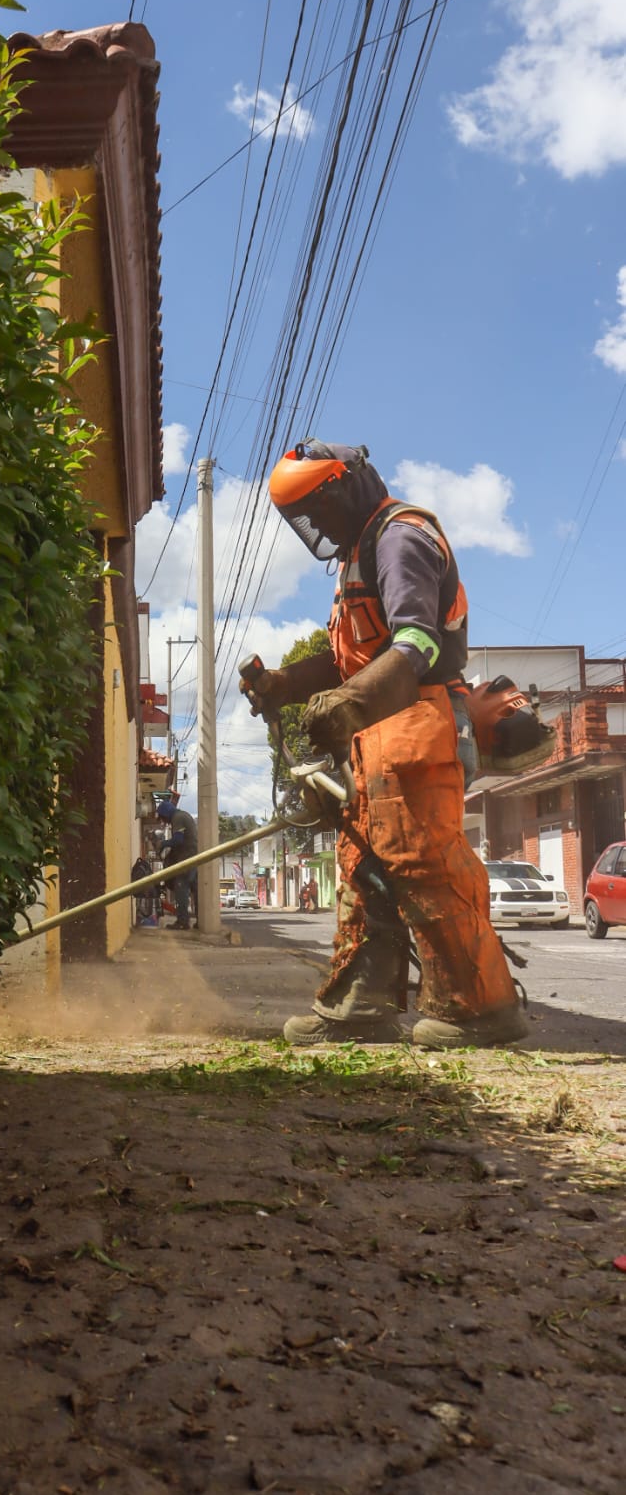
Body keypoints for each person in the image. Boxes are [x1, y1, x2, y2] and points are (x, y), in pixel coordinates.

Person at [242, 438, 526, 1051]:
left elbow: (417, 644)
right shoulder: (357, 555)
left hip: (419, 720)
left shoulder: (400, 537)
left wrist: (353, 703)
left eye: (317, 509)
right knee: (366, 868)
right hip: (381, 730)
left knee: (422, 864)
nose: (314, 525)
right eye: (304, 520)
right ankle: (358, 1006)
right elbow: (353, 660)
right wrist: (283, 684)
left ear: (345, 486)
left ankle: (480, 1008)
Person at [157, 798, 198, 931]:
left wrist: (164, 843)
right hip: (193, 858)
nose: (165, 821)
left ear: (166, 813)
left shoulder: (177, 818)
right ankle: (201, 920)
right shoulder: (184, 815)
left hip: (186, 859)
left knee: (181, 888)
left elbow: (178, 840)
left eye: (163, 818)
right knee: (195, 892)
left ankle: (182, 922)